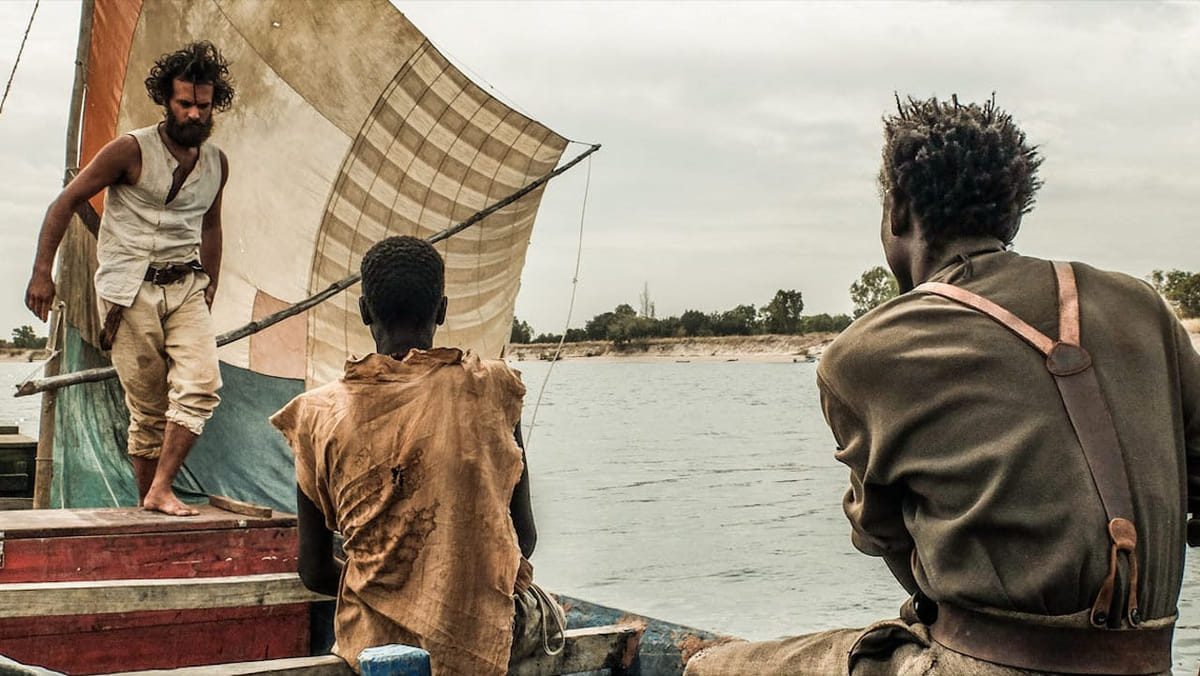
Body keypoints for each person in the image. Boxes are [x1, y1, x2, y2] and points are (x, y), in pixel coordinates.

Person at [685, 95, 1200, 676]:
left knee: (710, 668)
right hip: (1149, 664)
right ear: (1011, 217)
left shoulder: (864, 352)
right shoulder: (1141, 305)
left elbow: (885, 538)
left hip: (980, 664)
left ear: (898, 210)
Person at [271, 236, 559, 675]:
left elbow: (313, 570)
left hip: (370, 643)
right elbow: (523, 539)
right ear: (441, 310)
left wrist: (388, 591)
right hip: (477, 645)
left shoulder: (316, 414)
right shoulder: (492, 389)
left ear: (364, 311)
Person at [23, 41, 233, 516]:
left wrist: (211, 284)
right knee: (149, 410)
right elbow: (65, 202)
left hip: (186, 286)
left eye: (203, 105)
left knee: (201, 385)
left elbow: (211, 226)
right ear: (166, 100)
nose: (194, 114)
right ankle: (149, 501)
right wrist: (42, 273)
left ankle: (161, 488)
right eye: (185, 103)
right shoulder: (130, 150)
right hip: (129, 291)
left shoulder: (217, 163)